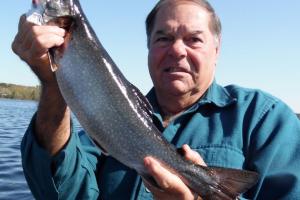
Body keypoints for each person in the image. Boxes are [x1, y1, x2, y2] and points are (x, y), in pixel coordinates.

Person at [12, 0, 300, 199]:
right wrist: (53, 86)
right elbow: (60, 193)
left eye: (194, 39)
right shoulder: (110, 119)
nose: (177, 50)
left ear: (217, 49)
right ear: (148, 47)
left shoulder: (266, 120)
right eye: (163, 38)